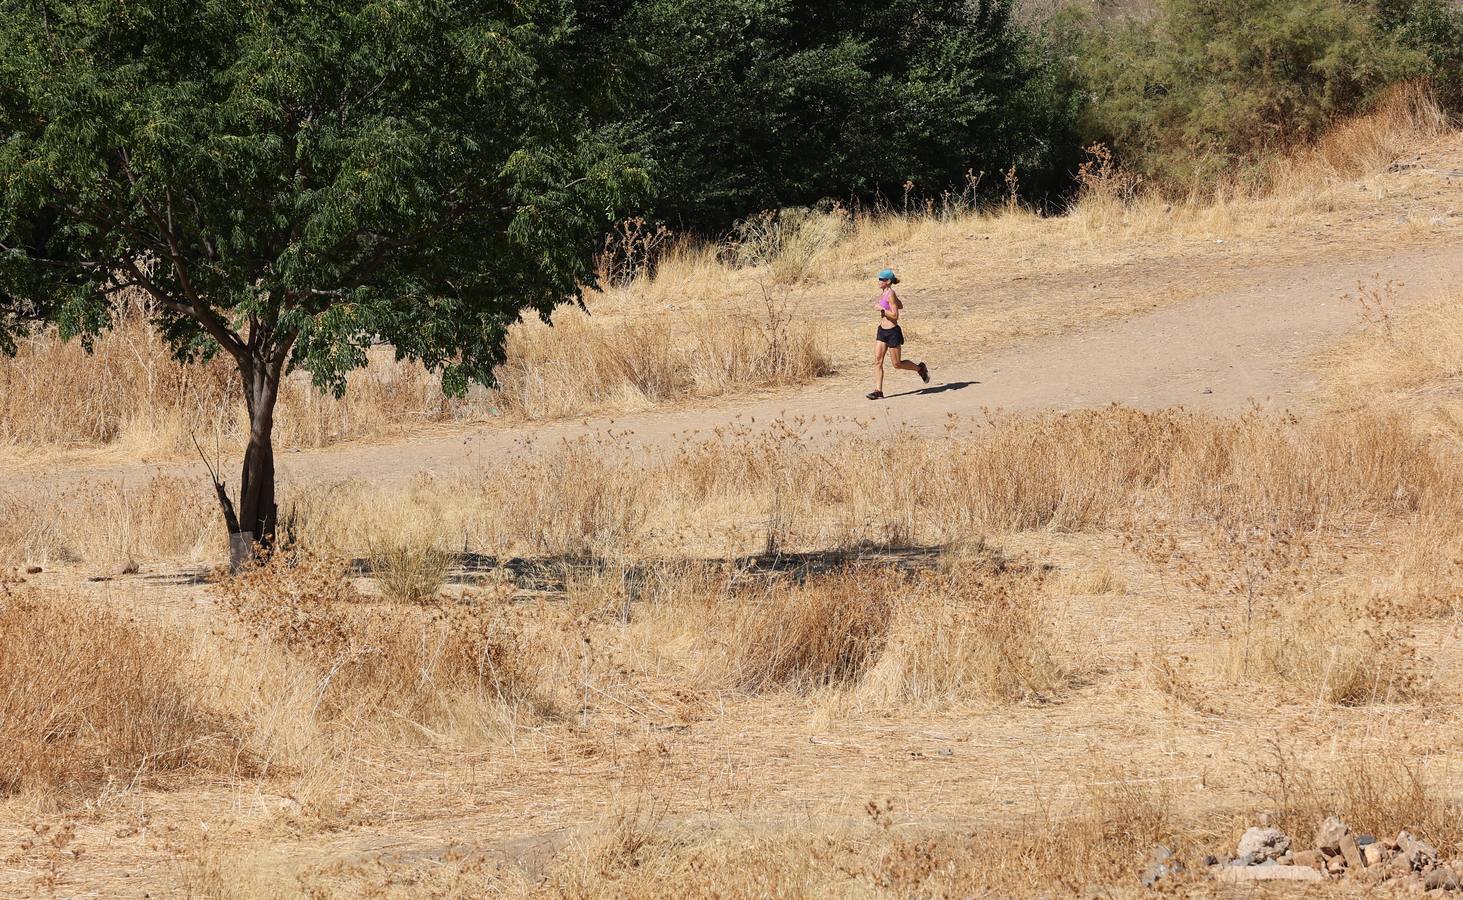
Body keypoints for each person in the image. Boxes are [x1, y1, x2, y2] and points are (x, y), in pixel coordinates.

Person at [867, 268, 928, 400]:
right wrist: (894, 303)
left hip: (892, 332)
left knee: (897, 364)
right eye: (879, 278)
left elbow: (895, 315)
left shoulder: (890, 294)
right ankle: (878, 391)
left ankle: (920, 369)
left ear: (888, 281)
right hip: (882, 331)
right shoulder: (885, 292)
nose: (879, 281)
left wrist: (882, 309)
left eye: (881, 279)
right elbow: (899, 305)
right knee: (878, 361)